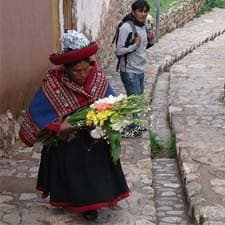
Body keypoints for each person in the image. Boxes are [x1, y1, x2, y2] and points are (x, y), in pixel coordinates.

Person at [19, 30, 129, 221]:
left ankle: (93, 204)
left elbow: (111, 102)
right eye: (77, 71)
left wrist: (107, 116)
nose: (82, 74)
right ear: (66, 69)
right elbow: (39, 109)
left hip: (94, 138)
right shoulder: (54, 82)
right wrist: (60, 126)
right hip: (68, 142)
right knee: (72, 169)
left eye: (85, 69)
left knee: (95, 169)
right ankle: (75, 200)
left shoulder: (98, 78)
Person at [115, 0, 153, 137]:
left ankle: (134, 125)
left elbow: (143, 47)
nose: (143, 14)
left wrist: (150, 40)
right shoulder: (126, 27)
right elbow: (118, 51)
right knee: (134, 100)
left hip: (140, 69)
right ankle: (131, 128)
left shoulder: (143, 26)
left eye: (145, 11)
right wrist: (134, 46)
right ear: (133, 11)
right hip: (129, 70)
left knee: (138, 100)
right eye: (140, 11)